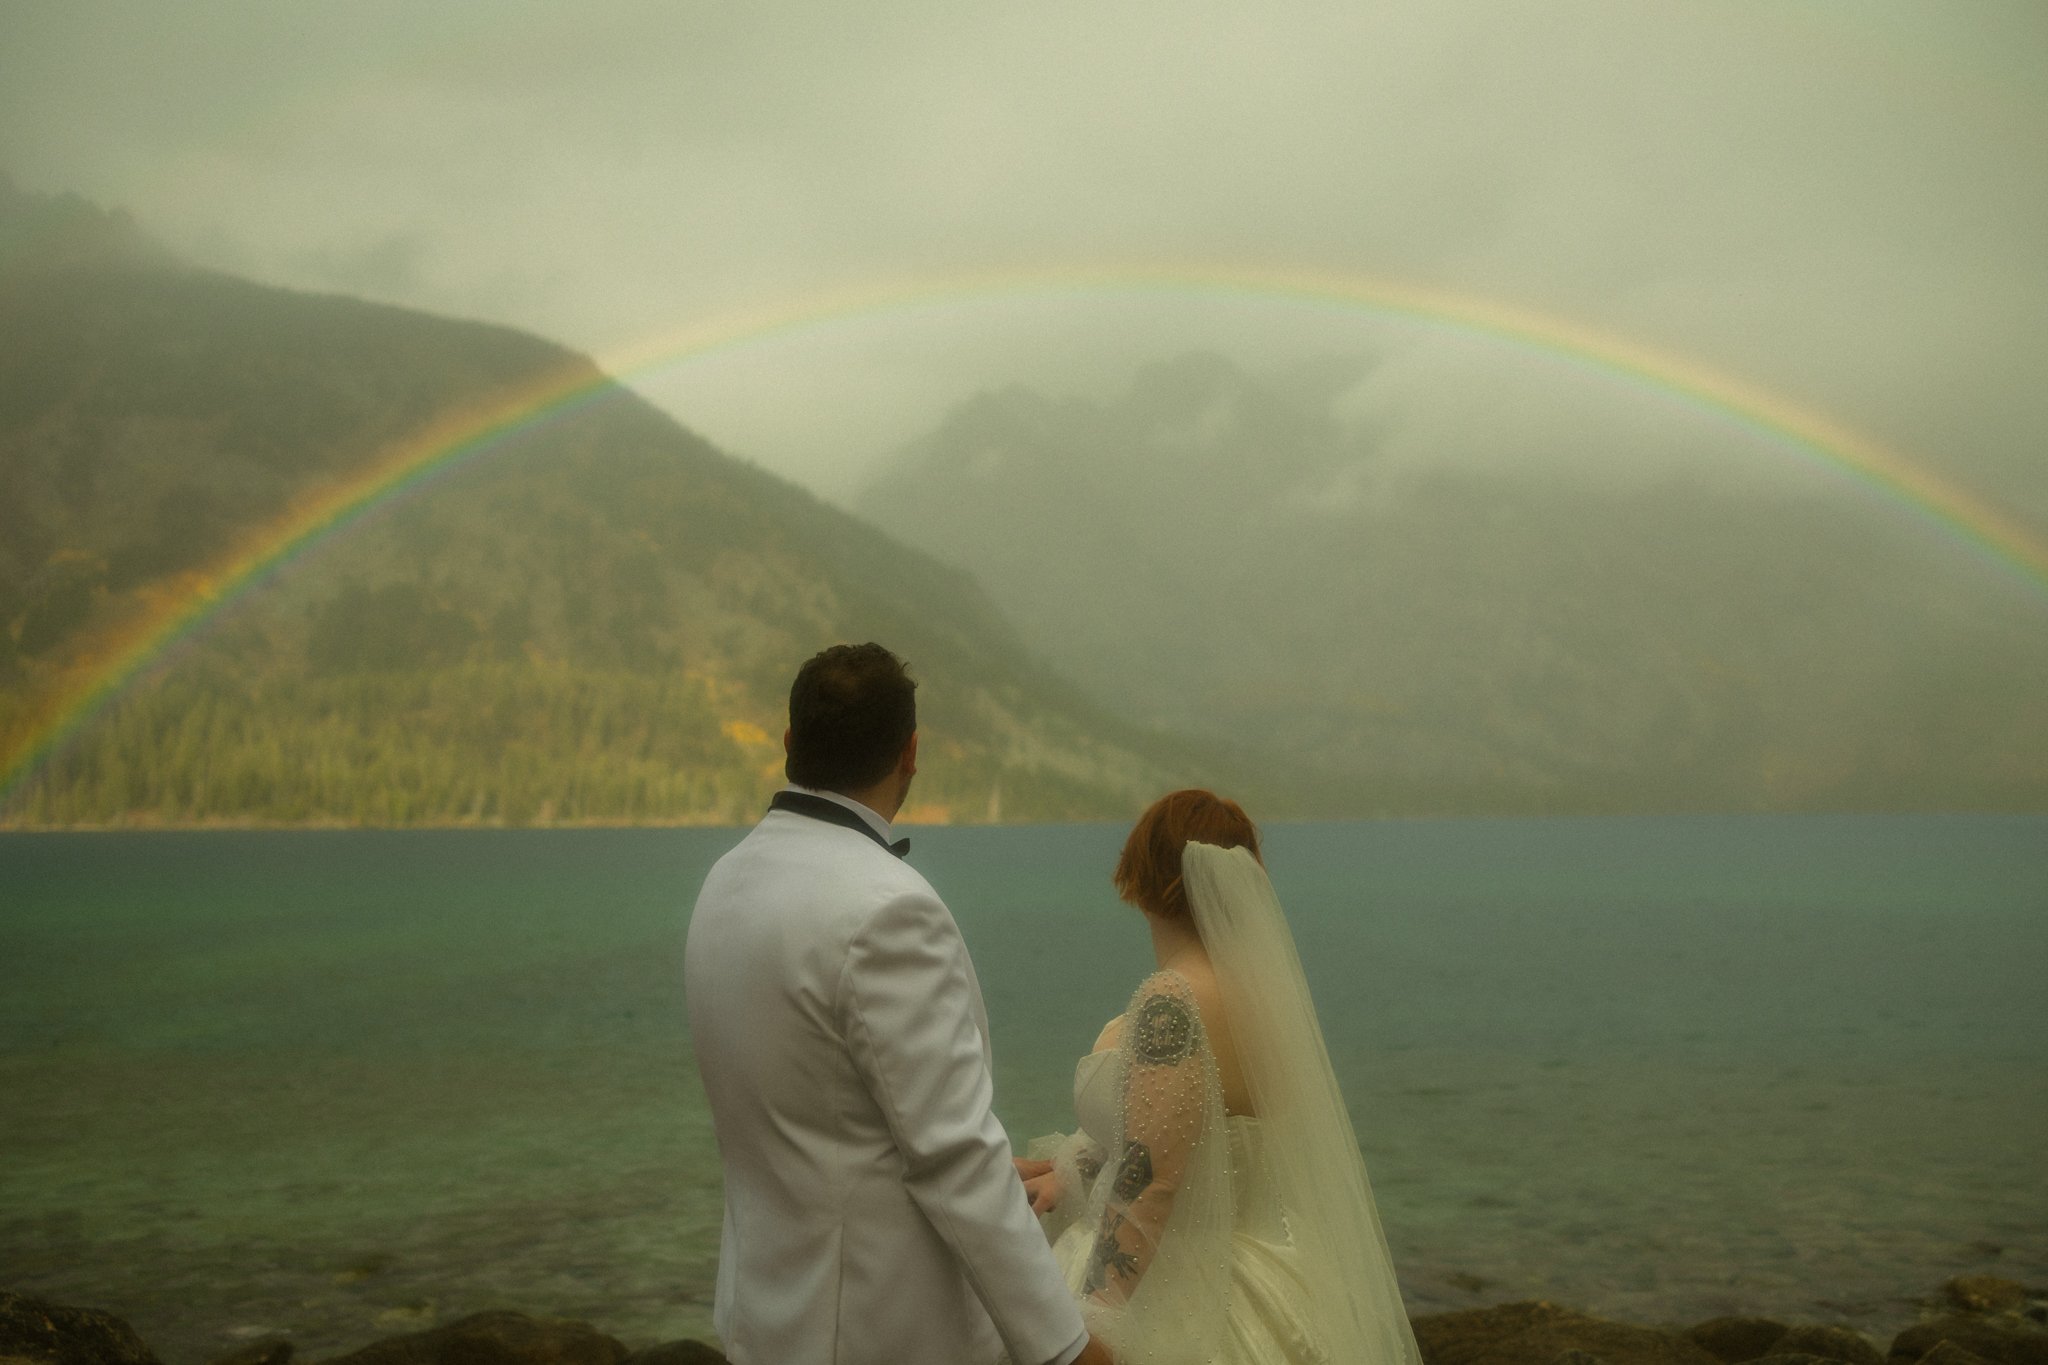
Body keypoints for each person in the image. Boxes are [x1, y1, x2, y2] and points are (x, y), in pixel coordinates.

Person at [684, 643, 1112, 1365]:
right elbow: (950, 1156)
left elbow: (806, 1110)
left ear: (790, 743)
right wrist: (1067, 1349)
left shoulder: (724, 882)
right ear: (910, 753)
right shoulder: (888, 908)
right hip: (878, 1333)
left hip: (763, 1321)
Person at [1020, 790, 1424, 1365]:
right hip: (1276, 1270)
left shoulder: (1173, 1001)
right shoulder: (1268, 1006)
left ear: (1139, 874)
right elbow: (1198, 1133)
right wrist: (1072, 1174)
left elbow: (1154, 1175)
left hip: (1179, 1291)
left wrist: (1096, 1319)